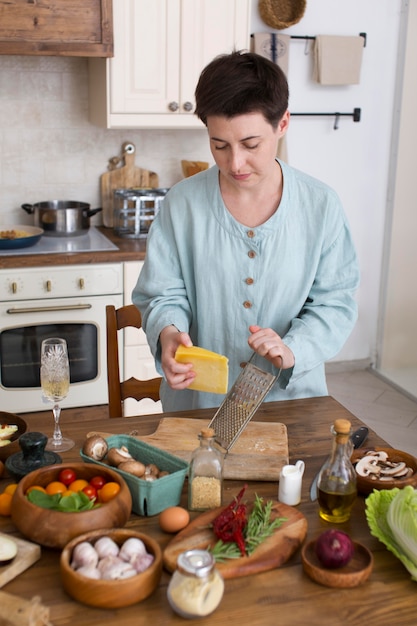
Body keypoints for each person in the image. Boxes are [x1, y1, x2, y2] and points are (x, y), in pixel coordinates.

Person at [132, 50, 360, 412]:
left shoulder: (321, 205)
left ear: (282, 123)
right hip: (199, 405)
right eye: (219, 145)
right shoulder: (182, 203)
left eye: (250, 145)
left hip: (292, 405)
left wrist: (292, 349)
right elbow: (161, 294)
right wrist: (169, 334)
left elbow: (334, 303)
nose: (234, 163)